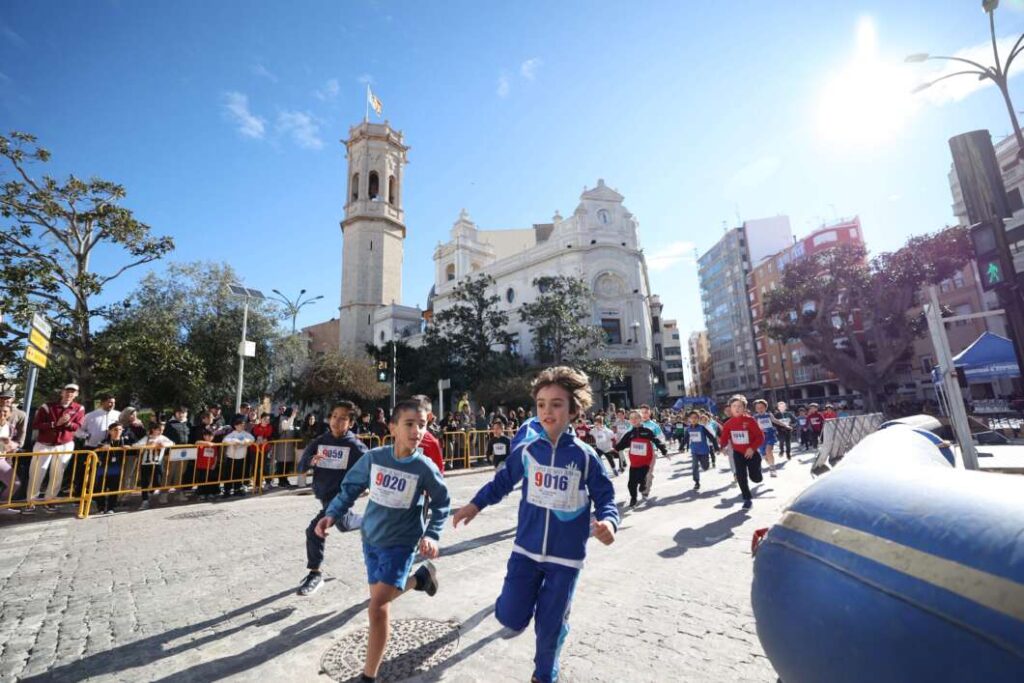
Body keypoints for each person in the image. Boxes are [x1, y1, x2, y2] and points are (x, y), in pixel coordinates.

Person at [452, 367, 618, 683]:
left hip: (565, 559)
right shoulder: (528, 450)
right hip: (525, 551)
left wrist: (609, 522)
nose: (547, 411)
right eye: (541, 404)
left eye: (556, 404)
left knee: (549, 625)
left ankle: (545, 674)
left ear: (573, 409)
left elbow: (606, 498)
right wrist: (475, 505)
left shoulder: (585, 457)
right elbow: (502, 482)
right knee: (510, 617)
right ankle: (528, 614)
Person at [314, 399, 450, 683]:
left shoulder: (424, 468)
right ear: (393, 427)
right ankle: (420, 580)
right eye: (409, 424)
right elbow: (350, 488)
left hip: (402, 544)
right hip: (371, 539)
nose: (416, 431)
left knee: (377, 607)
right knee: (381, 603)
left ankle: (368, 676)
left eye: (422, 426)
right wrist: (331, 515)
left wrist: (432, 535)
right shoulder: (375, 458)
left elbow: (441, 504)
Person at [296, 401, 369, 597]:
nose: (337, 421)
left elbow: (371, 466)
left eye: (343, 418)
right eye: (334, 416)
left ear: (351, 423)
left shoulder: (355, 446)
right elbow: (300, 467)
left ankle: (315, 573)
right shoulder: (320, 441)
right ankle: (367, 521)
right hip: (324, 496)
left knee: (313, 530)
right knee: (344, 525)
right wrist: (310, 462)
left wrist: (367, 485)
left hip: (339, 499)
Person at [25, 383, 85, 512]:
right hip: (44, 444)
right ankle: (31, 501)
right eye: (67, 391)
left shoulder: (79, 408)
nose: (69, 394)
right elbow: (36, 425)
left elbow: (77, 426)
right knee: (37, 472)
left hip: (65, 444)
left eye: (73, 392)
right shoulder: (47, 406)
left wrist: (67, 423)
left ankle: (50, 500)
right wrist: (54, 424)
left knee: (58, 474)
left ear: (76, 394)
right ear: (62, 392)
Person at [718, 395, 765, 510]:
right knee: (741, 476)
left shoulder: (750, 421)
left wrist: (752, 448)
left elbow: (760, 437)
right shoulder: (728, 424)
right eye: (734, 406)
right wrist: (722, 447)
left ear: (744, 408)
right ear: (730, 408)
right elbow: (724, 438)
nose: (737, 408)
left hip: (752, 453)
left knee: (756, 479)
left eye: (739, 406)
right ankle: (747, 499)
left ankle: (757, 472)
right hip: (738, 453)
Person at [614, 409, 668, 507]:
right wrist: (613, 451)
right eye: (631, 418)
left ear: (640, 419)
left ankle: (643, 485)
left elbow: (657, 441)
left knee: (641, 478)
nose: (633, 420)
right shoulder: (629, 434)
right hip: (634, 462)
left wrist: (664, 451)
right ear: (629, 420)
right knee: (631, 484)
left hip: (646, 461)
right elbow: (621, 445)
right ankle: (633, 498)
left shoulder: (647, 431)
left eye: (636, 418)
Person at [134, 421, 175, 510]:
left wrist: (164, 444)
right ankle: (145, 500)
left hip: (158, 463)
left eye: (162, 430)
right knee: (145, 481)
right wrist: (146, 445)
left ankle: (151, 492)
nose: (161, 432)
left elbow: (172, 443)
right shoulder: (147, 438)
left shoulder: (163, 438)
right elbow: (136, 445)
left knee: (158, 481)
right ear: (153, 430)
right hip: (146, 463)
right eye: (159, 430)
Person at [94, 422, 132, 514]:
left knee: (114, 488)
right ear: (110, 431)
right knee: (101, 488)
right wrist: (103, 447)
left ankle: (111, 507)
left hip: (117, 468)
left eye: (120, 430)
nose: (118, 432)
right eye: (115, 430)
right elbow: (96, 449)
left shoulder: (124, 441)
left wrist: (129, 447)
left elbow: (135, 447)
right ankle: (101, 508)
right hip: (103, 468)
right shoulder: (105, 441)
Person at [221, 416, 256, 496]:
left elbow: (252, 439)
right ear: (235, 426)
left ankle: (237, 489)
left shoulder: (246, 434)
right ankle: (227, 490)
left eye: (243, 425)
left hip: (241, 457)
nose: (242, 426)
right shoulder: (232, 434)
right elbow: (224, 440)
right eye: (240, 425)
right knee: (229, 474)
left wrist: (245, 441)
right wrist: (233, 442)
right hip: (231, 457)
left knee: (239, 474)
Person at [685, 411, 716, 491]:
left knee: (705, 467)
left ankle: (707, 464)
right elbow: (685, 439)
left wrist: (716, 447)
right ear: (689, 419)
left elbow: (711, 437)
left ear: (698, 419)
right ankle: (696, 482)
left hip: (704, 451)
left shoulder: (702, 428)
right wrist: (681, 447)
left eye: (695, 418)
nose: (693, 419)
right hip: (694, 450)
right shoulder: (688, 429)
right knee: (694, 466)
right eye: (691, 418)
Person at [752, 399, 781, 478]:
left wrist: (785, 425)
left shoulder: (769, 415)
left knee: (769, 451)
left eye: (761, 407)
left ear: (765, 408)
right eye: (758, 408)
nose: (760, 409)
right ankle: (770, 464)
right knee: (765, 456)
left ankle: (772, 469)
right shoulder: (755, 417)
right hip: (760, 438)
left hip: (770, 436)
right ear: (755, 409)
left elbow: (775, 421)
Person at [193, 426, 221, 500]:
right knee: (202, 480)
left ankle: (210, 493)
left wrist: (214, 464)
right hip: (201, 466)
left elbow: (215, 456)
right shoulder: (202, 444)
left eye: (211, 436)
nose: (209, 437)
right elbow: (197, 442)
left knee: (211, 480)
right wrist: (207, 443)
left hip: (211, 466)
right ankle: (202, 493)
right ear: (204, 436)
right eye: (207, 436)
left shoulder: (214, 445)